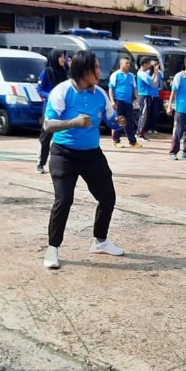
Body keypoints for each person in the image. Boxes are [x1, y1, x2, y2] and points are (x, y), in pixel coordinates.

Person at [42, 50, 127, 270]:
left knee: (107, 197)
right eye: (96, 67)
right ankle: (52, 248)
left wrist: (118, 122)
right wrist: (74, 122)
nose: (99, 71)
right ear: (83, 70)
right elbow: (48, 124)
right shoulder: (62, 91)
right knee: (64, 200)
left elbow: (110, 120)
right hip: (64, 155)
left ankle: (100, 241)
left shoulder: (100, 94)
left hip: (91, 154)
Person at [36, 49, 69, 173]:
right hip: (50, 109)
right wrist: (50, 95)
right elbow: (39, 89)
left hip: (64, 109)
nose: (63, 59)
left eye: (64, 56)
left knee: (64, 136)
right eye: (60, 56)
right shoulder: (46, 72)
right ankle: (40, 163)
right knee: (46, 137)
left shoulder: (64, 72)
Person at [108, 57, 140, 148]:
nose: (128, 65)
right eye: (126, 63)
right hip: (118, 101)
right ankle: (116, 140)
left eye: (129, 63)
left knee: (129, 122)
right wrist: (112, 101)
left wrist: (137, 98)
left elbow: (134, 88)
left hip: (128, 102)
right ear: (121, 64)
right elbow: (111, 89)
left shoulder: (131, 76)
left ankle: (132, 141)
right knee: (118, 120)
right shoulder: (116, 75)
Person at [136, 57, 162, 141]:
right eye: (148, 64)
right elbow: (154, 83)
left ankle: (140, 133)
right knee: (144, 115)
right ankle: (139, 134)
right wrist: (156, 73)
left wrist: (155, 72)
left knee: (145, 115)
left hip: (147, 95)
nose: (149, 66)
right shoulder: (142, 74)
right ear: (144, 64)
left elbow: (152, 80)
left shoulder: (144, 73)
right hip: (144, 95)